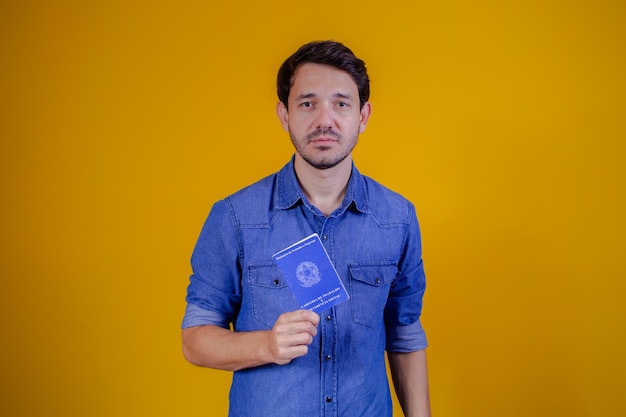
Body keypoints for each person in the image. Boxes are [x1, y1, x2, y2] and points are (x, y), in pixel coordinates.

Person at [182, 40, 431, 417]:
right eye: (308, 103)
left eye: (341, 103)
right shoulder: (234, 216)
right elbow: (195, 340)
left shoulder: (398, 218)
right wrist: (266, 345)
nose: (324, 120)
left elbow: (405, 333)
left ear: (363, 115)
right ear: (284, 114)